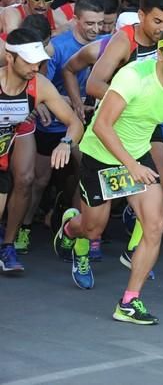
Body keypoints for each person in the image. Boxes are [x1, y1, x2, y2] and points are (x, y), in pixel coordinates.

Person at [53, 29, 163, 324]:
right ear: (161, 55)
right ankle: (70, 229)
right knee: (93, 229)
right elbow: (103, 126)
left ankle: (130, 302)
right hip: (101, 152)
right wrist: (131, 166)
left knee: (155, 226)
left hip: (137, 155)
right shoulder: (133, 76)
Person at [0, 29, 84, 273]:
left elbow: (74, 123)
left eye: (38, 62)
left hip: (15, 131)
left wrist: (65, 143)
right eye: (28, 61)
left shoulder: (40, 85)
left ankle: (8, 245)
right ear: (10, 58)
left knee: (25, 179)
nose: (34, 67)